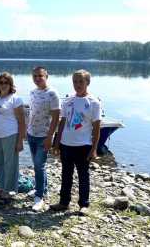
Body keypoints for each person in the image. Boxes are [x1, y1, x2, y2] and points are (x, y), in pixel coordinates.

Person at [51, 69, 101, 215]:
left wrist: (94, 148)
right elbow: (62, 123)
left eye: (81, 81)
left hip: (83, 146)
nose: (77, 84)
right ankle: (63, 202)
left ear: (87, 82)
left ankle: (83, 204)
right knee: (66, 175)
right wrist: (56, 143)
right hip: (66, 144)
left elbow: (96, 128)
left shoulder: (93, 103)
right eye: (75, 81)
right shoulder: (68, 100)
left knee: (83, 176)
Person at [26, 66, 60, 212]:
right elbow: (31, 112)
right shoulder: (33, 92)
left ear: (47, 76)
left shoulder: (52, 93)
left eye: (40, 76)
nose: (37, 78)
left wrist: (50, 137)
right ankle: (43, 189)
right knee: (37, 164)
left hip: (43, 136)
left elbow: (56, 117)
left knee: (39, 166)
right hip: (31, 134)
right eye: (35, 76)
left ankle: (39, 197)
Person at [0, 72, 26, 200]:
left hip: (11, 134)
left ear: (11, 84)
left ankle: (9, 190)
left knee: (10, 163)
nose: (3, 85)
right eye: (1, 82)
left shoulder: (15, 99)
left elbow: (22, 121)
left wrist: (20, 141)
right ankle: (1, 187)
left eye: (6, 83)